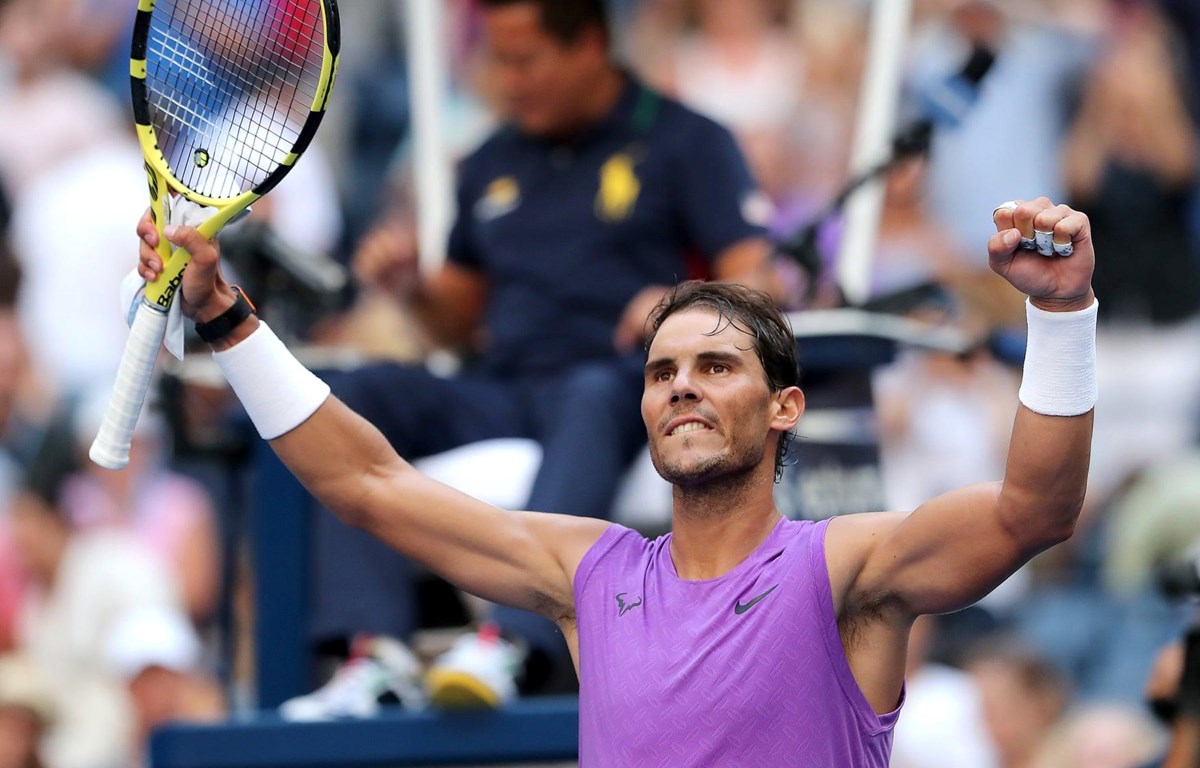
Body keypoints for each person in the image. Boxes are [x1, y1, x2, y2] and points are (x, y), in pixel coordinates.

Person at [136, 192, 1097, 764]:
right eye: (661, 373)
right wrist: (225, 316)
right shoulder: (590, 571)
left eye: (716, 367)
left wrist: (1062, 316)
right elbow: (367, 486)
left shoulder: (847, 567)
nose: (681, 387)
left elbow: (1034, 513)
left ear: (784, 408)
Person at [304, 0, 780, 708]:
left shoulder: (688, 140)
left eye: (525, 61)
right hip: (504, 384)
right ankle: (372, 657)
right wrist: (412, 291)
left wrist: (677, 304)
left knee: (593, 392)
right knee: (349, 394)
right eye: (498, 60)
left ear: (590, 45)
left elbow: (758, 283)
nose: (507, 80)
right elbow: (458, 328)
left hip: (620, 382)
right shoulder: (490, 160)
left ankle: (512, 645)